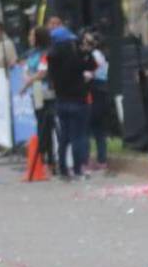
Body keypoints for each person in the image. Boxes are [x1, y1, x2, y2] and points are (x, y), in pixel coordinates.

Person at [46, 26, 94, 179]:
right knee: (78, 136)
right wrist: (86, 50)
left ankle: (63, 169)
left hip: (61, 101)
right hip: (78, 101)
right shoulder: (74, 58)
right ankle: (78, 169)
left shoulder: (51, 58)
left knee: (64, 137)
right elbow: (91, 65)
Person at [20, 25, 56, 172]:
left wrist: (27, 83)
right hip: (36, 92)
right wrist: (27, 79)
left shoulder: (46, 52)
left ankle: (51, 158)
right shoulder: (31, 53)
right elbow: (26, 69)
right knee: (41, 124)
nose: (30, 38)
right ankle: (43, 156)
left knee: (47, 126)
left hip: (47, 91)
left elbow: (42, 72)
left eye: (32, 35)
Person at [81, 29, 111, 170]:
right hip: (102, 91)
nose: (84, 45)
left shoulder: (94, 55)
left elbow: (88, 74)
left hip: (95, 92)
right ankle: (102, 159)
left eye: (87, 42)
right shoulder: (102, 54)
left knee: (87, 126)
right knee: (99, 129)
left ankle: (86, 160)